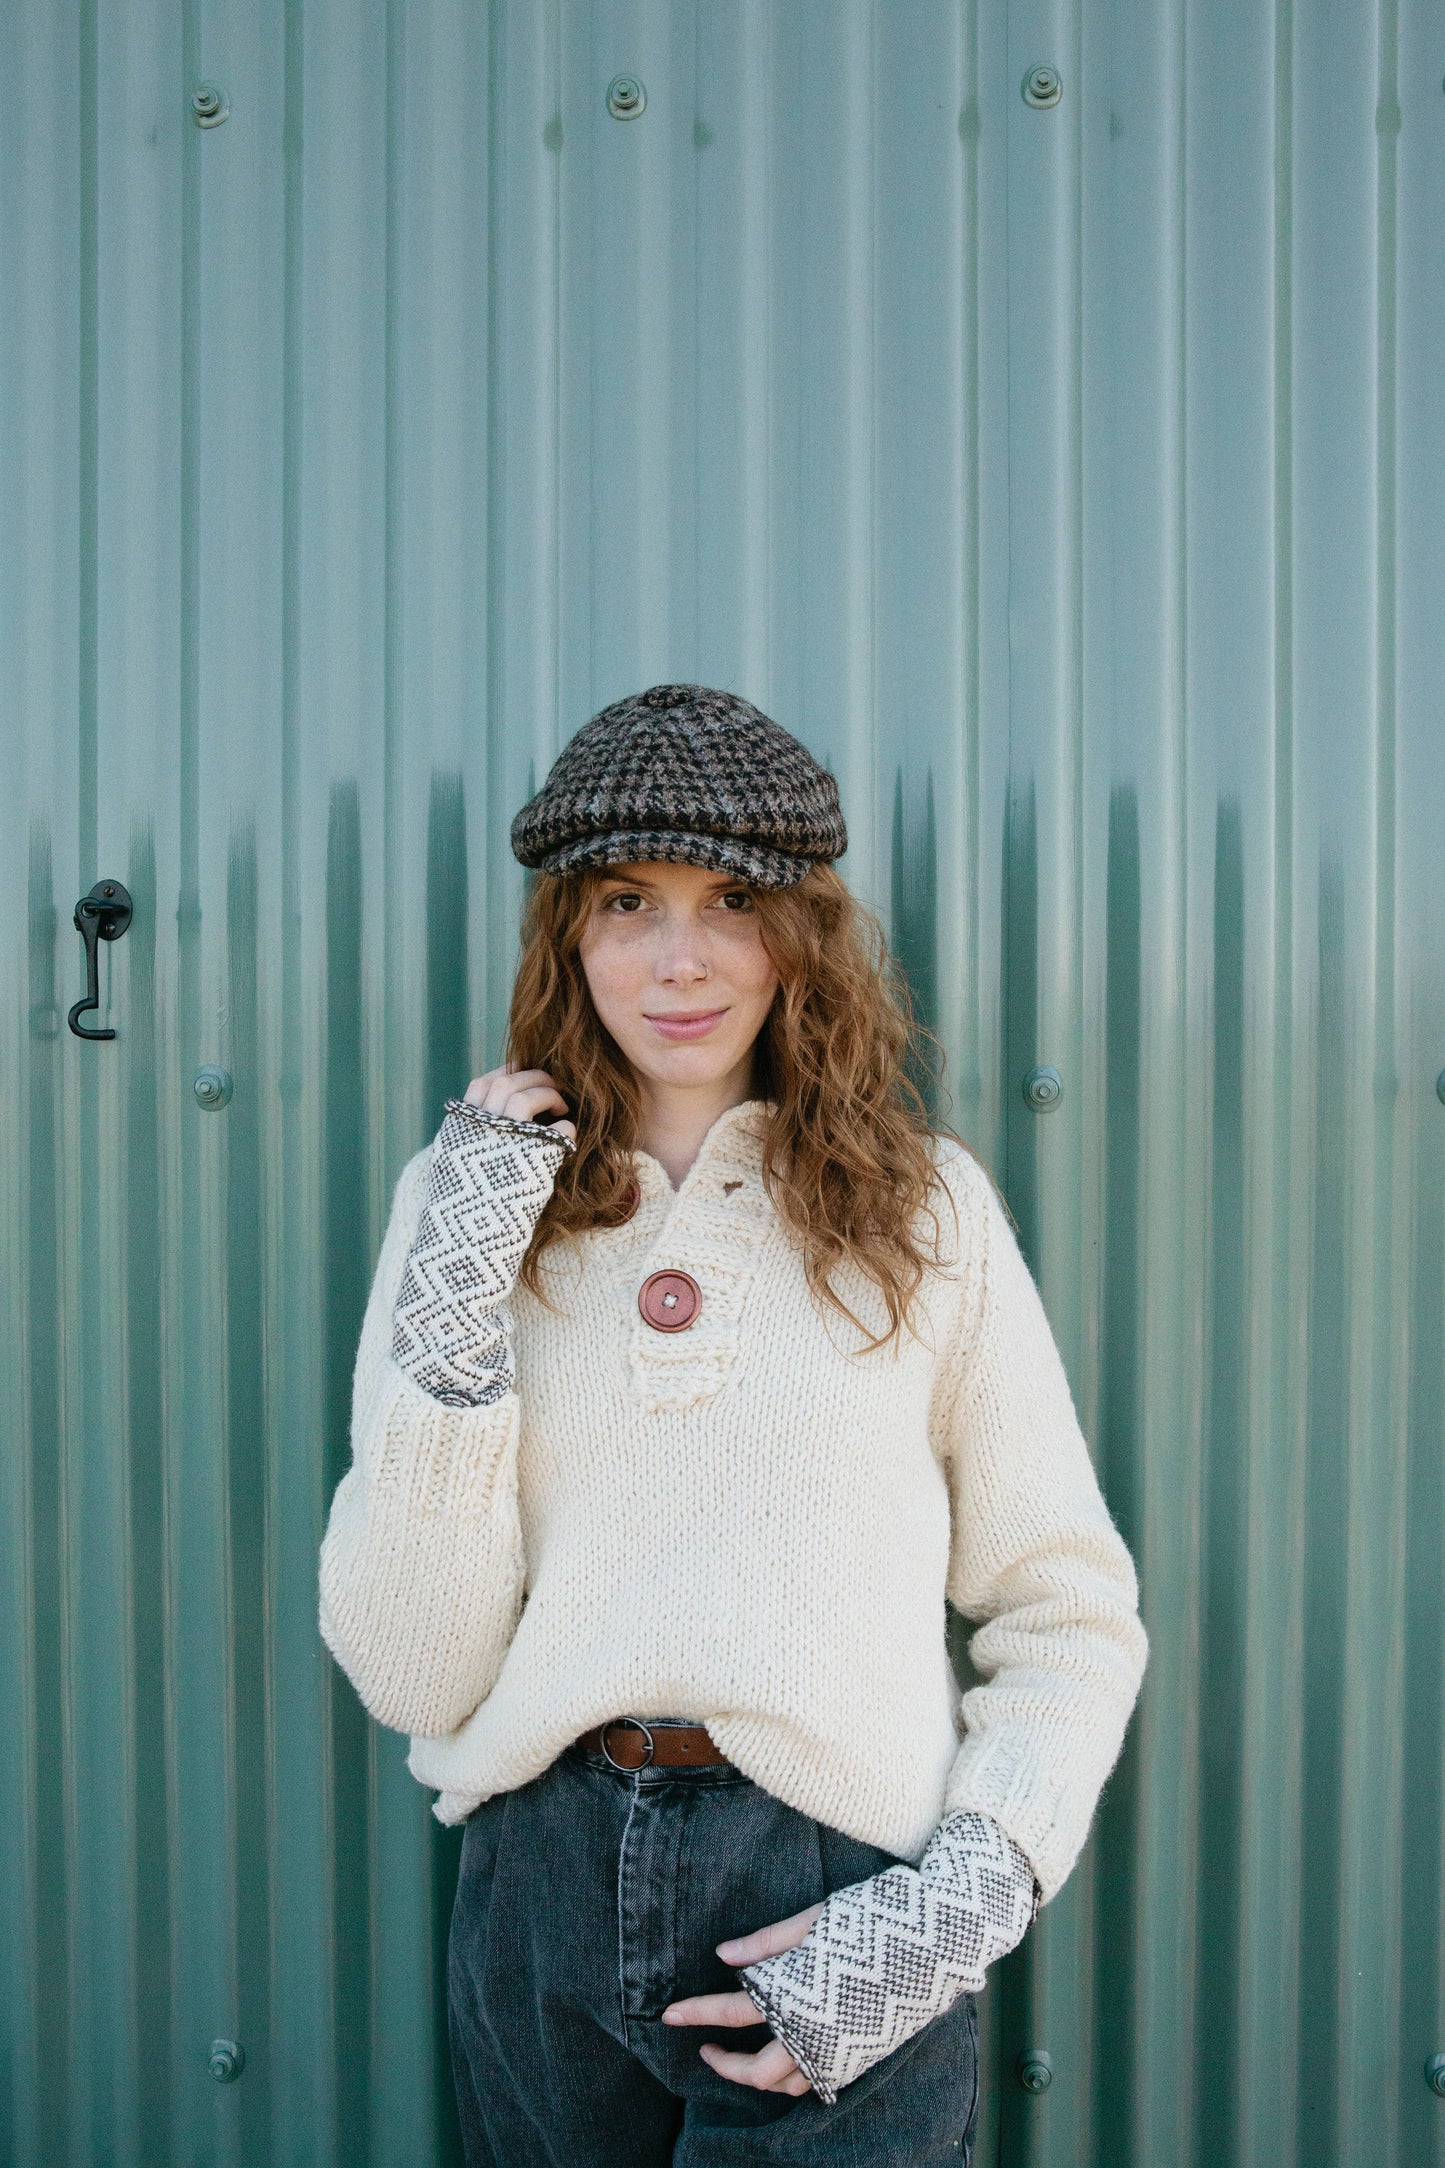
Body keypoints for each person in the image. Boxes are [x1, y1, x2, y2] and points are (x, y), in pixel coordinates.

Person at [319, 683, 1148, 2166]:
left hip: (833, 1886)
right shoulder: (466, 1206)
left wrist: (953, 1906)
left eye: (731, 900)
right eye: (628, 901)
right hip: (539, 1892)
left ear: (799, 933)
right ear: (571, 938)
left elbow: (1064, 1607)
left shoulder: (922, 1205)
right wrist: (462, 1291)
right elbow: (411, 1668)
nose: (679, 957)